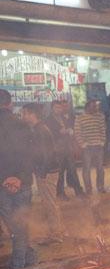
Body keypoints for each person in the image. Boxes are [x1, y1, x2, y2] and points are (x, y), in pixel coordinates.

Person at [0, 90, 35, 269]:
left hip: (3, 184)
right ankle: (27, 260)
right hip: (22, 183)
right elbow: (30, 155)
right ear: (10, 103)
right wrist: (19, 178)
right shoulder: (22, 125)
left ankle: (19, 267)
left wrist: (6, 179)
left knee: (15, 227)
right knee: (21, 225)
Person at [21, 103, 66, 240]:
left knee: (50, 203)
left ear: (32, 114)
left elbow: (46, 154)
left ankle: (56, 233)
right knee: (49, 202)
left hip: (47, 172)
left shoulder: (40, 130)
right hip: (47, 170)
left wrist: (42, 171)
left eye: (24, 113)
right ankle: (57, 230)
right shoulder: (38, 128)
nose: (22, 116)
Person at [46, 100, 84, 199]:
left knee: (72, 169)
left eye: (60, 108)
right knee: (60, 172)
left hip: (68, 148)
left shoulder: (64, 118)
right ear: (52, 108)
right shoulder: (48, 120)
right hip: (57, 150)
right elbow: (50, 135)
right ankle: (60, 192)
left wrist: (70, 131)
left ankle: (78, 191)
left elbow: (70, 128)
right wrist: (61, 132)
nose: (59, 110)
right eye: (56, 108)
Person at [75, 99, 107, 195]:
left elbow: (103, 129)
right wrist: (82, 144)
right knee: (87, 169)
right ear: (88, 107)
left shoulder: (100, 116)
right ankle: (88, 189)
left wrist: (102, 141)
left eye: (96, 106)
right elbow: (77, 132)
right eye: (94, 106)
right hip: (87, 147)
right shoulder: (80, 118)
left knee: (100, 168)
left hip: (98, 146)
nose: (96, 108)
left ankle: (100, 187)